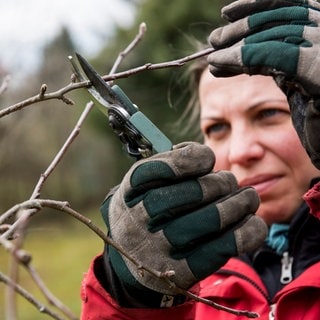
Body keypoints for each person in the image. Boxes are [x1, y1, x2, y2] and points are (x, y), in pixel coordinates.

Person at [80, 0, 320, 319]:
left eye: (268, 114)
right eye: (217, 127)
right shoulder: (191, 293)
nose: (239, 152)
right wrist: (133, 300)